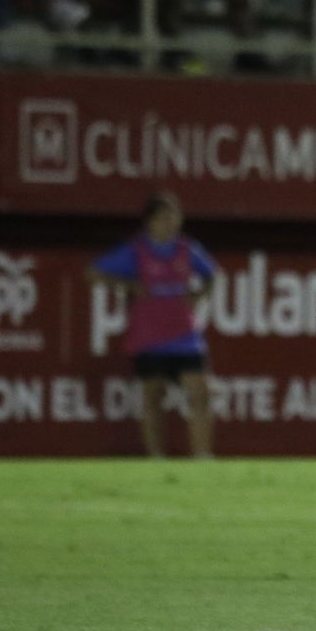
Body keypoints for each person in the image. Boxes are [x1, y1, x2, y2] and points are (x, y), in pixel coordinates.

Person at [86, 191, 223, 458]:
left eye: (174, 216)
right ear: (150, 222)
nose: (171, 222)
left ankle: (203, 455)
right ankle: (156, 457)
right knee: (153, 397)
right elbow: (93, 273)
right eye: (163, 217)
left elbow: (213, 274)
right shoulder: (136, 252)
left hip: (185, 335)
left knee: (200, 392)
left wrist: (199, 294)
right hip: (149, 336)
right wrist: (128, 285)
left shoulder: (186, 250)